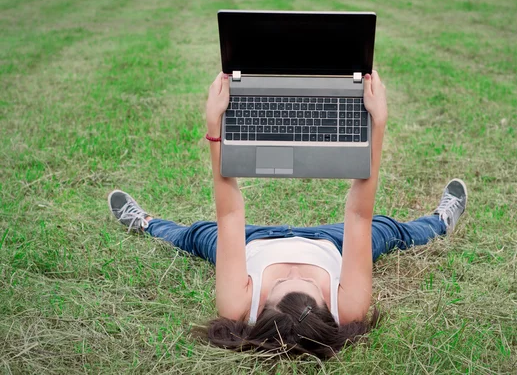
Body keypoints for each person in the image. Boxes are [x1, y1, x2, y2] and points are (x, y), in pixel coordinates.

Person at [107, 71, 468, 358]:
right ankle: (439, 221)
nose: (295, 270)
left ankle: (146, 223)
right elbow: (358, 215)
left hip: (254, 242)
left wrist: (215, 127)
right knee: (388, 230)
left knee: (195, 235)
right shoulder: (349, 307)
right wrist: (378, 123)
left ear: (261, 306)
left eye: (281, 284)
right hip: (332, 244)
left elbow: (230, 215)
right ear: (329, 308)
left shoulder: (237, 305)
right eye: (309, 283)